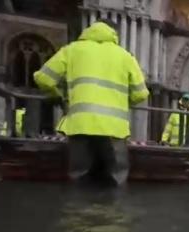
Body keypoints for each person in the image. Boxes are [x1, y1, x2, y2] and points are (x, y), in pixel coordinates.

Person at [33, 19, 149, 185]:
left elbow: (42, 78)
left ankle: (76, 209)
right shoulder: (125, 56)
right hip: (113, 128)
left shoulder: (71, 50)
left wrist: (58, 95)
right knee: (117, 176)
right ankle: (115, 209)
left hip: (80, 125)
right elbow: (141, 94)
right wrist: (121, 101)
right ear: (114, 33)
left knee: (78, 175)